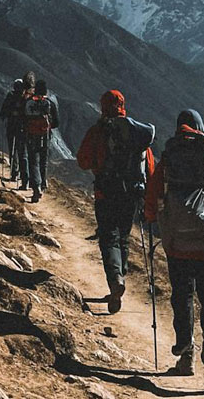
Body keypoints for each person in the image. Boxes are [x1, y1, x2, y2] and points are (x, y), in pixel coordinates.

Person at [144, 109, 204, 388]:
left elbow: (151, 203)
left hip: (177, 247)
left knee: (182, 296)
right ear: (201, 129)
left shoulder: (166, 163)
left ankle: (185, 355)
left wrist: (153, 219)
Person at [76, 90, 155, 314]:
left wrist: (99, 166)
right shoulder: (136, 134)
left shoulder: (99, 131)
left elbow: (82, 160)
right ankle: (119, 279)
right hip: (131, 195)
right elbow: (149, 167)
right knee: (123, 238)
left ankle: (115, 280)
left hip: (106, 193)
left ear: (103, 106)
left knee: (108, 237)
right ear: (123, 105)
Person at [23, 80, 59, 203]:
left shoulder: (29, 102)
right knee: (43, 161)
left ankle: (35, 187)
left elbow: (23, 119)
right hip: (45, 136)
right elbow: (56, 123)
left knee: (33, 162)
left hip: (31, 136)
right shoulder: (49, 103)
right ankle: (43, 184)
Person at [0, 79, 26, 182]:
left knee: (12, 150)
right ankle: (23, 176)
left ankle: (14, 173)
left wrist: (6, 116)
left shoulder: (10, 96)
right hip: (22, 127)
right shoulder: (25, 98)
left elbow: (3, 111)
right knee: (22, 152)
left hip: (11, 126)